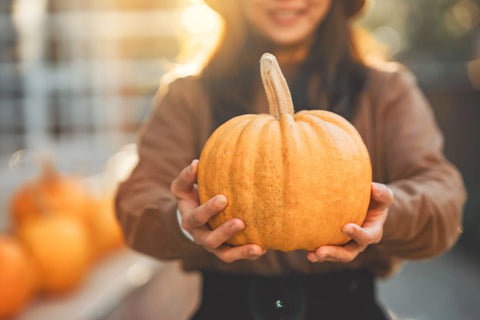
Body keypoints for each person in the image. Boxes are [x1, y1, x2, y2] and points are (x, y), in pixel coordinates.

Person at [115, 0, 466, 319]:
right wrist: (182, 220)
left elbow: (444, 200)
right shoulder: (188, 97)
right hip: (227, 308)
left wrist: (386, 211)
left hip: (348, 306)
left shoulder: (385, 91)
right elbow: (135, 203)